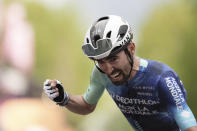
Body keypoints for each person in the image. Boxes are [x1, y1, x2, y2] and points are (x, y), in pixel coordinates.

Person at [43, 15, 197, 131]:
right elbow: (87, 106)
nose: (108, 69)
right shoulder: (100, 73)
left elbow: (188, 125)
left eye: (113, 59)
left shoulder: (161, 77)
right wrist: (64, 98)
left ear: (131, 49)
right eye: (101, 61)